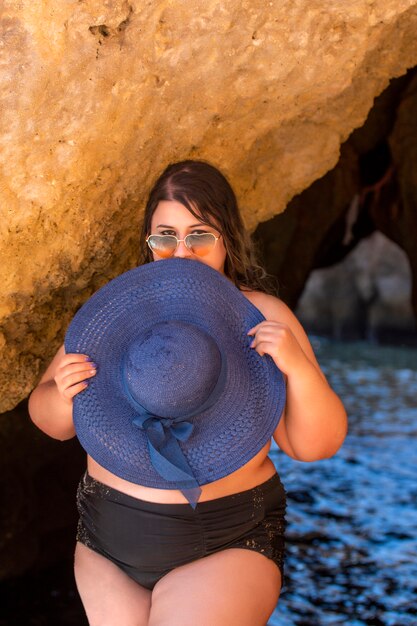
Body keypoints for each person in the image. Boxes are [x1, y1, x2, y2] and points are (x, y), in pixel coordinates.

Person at [28, 160, 347, 626]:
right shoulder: (117, 311)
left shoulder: (257, 315)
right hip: (107, 546)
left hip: (224, 541)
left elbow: (314, 445)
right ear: (148, 240)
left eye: (199, 235)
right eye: (165, 236)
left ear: (227, 238)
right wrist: (59, 394)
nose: (182, 252)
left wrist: (296, 366)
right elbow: (51, 422)